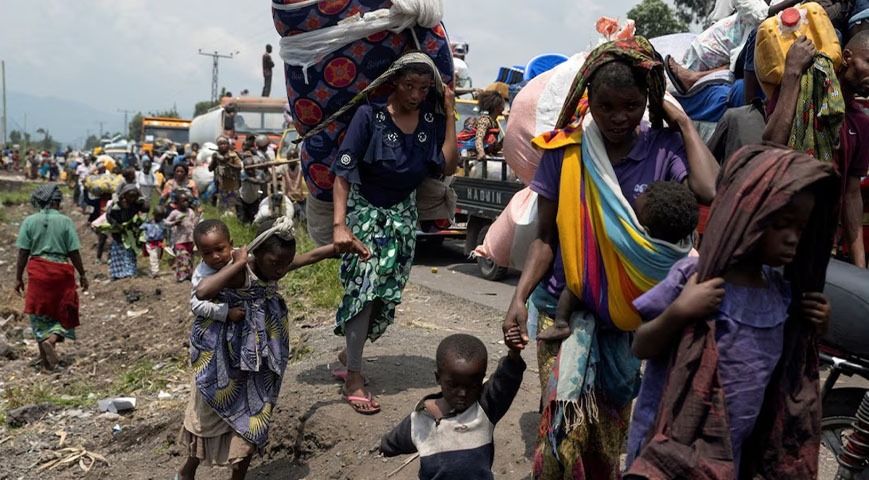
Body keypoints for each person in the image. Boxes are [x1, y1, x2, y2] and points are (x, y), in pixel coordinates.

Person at [502, 37, 719, 479]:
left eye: (632, 105)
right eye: (606, 106)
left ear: (648, 100)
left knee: (608, 435)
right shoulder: (565, 150)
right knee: (564, 428)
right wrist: (518, 297)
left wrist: (684, 123)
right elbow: (546, 237)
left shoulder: (662, 148)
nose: (619, 117)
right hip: (558, 307)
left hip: (625, 318)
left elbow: (709, 189)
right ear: (589, 102)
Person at [625, 145, 838, 478]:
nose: (793, 239)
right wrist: (680, 311)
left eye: (801, 229)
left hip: (730, 450)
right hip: (673, 440)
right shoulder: (694, 279)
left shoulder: (780, 295)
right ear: (748, 217)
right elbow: (641, 345)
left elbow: (788, 365)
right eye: (782, 225)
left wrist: (816, 326)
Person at [329, 52, 459, 414]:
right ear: (393, 83)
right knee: (365, 286)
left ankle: (350, 351)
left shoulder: (432, 120)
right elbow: (342, 172)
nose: (415, 94)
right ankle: (354, 376)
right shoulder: (369, 116)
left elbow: (448, 164)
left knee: (385, 294)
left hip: (403, 215)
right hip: (365, 211)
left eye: (423, 87)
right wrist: (340, 225)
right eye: (408, 86)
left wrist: (449, 113)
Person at [175, 218, 306, 480]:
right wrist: (225, 309)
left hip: (258, 354)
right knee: (208, 412)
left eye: (220, 250)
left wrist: (336, 249)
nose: (215, 257)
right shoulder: (217, 270)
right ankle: (188, 471)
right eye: (207, 253)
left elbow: (304, 259)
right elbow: (199, 298)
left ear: (232, 244)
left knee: (254, 414)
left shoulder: (262, 267)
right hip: (219, 352)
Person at [539, 181, 700, 341]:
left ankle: (560, 324)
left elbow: (608, 233)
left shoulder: (634, 243)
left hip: (613, 299)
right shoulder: (683, 246)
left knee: (576, 283)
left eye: (634, 213)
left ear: (647, 231)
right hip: (641, 313)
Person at [763, 32, 869, 268]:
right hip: (776, 231)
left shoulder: (860, 123)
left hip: (819, 242)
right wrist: (792, 72)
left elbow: (852, 195)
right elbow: (771, 145)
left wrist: (861, 268)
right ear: (847, 58)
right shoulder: (802, 91)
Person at [380, 333, 526, 479]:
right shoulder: (420, 419)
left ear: (481, 380)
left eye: (472, 386)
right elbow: (393, 442)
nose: (462, 393)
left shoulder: (485, 409)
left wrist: (514, 353)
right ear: (438, 378)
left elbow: (506, 380)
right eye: (453, 385)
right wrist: (384, 447)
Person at [14, 185, 88, 370]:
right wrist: (83, 274)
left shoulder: (29, 221)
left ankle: (46, 364)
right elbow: (73, 251)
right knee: (65, 310)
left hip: (38, 271)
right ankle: (53, 339)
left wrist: (18, 278)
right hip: (61, 271)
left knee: (39, 314)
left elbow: (23, 252)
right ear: (55, 202)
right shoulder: (65, 221)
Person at [106, 184, 147, 280]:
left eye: (134, 196)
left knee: (130, 253)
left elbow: (146, 209)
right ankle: (118, 274)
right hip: (119, 233)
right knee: (118, 253)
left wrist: (141, 196)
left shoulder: (136, 204)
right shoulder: (118, 204)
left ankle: (130, 272)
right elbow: (109, 216)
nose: (132, 198)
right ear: (124, 195)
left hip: (131, 233)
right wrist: (117, 225)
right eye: (130, 196)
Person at [165, 191, 199, 282]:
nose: (186, 203)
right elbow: (166, 222)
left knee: (190, 258)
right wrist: (175, 223)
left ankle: (189, 275)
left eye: (187, 201)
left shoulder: (190, 211)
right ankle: (181, 276)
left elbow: (194, 223)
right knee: (182, 258)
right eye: (183, 201)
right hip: (179, 240)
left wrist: (198, 215)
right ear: (177, 203)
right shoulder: (174, 213)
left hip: (190, 239)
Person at [209, 136, 244, 212]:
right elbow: (210, 169)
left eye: (224, 144)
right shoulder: (216, 155)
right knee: (222, 207)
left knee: (234, 206)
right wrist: (214, 160)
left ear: (228, 145)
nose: (223, 146)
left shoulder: (233, 155)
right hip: (222, 186)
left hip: (234, 185)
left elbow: (239, 167)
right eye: (220, 144)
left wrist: (227, 163)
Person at [473, 90, 506, 159]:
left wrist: (505, 139)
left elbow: (494, 150)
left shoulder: (494, 123)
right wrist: (481, 152)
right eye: (502, 105)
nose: (503, 108)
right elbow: (479, 137)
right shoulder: (485, 120)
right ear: (496, 106)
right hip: (474, 158)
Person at [140, 205, 168, 278]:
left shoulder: (163, 223)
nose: (160, 218)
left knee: (157, 257)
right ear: (154, 214)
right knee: (154, 257)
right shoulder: (149, 223)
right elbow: (141, 227)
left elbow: (165, 232)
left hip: (159, 243)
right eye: (158, 216)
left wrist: (167, 241)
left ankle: (152, 269)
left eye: (161, 216)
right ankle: (155, 272)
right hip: (150, 243)